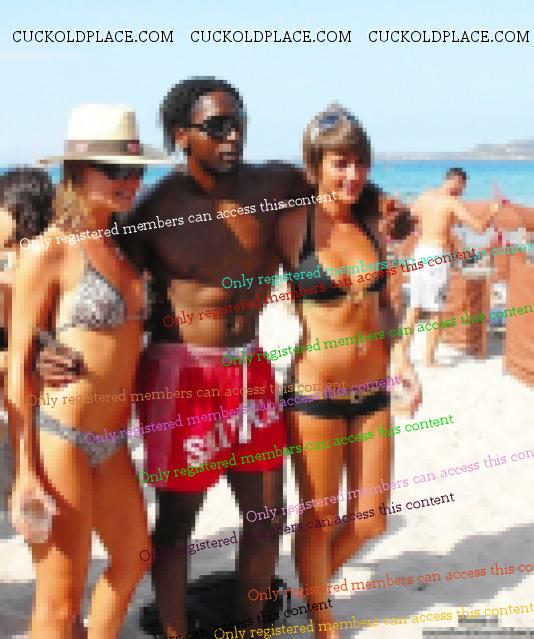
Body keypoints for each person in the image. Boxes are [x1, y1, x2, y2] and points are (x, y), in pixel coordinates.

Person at [7, 104, 169, 638]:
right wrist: (25, 472)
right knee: (59, 604)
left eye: (135, 170)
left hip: (112, 441)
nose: (129, 181)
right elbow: (18, 370)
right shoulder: (47, 251)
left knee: (134, 558)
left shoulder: (123, 248)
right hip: (62, 439)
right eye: (114, 169)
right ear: (77, 171)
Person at [274, 104, 420, 636]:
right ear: (315, 165)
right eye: (340, 163)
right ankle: (322, 618)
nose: (352, 175)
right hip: (315, 393)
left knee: (370, 520)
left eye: (360, 162)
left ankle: (309, 590)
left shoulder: (371, 221)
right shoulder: (291, 225)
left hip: (373, 393)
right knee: (320, 517)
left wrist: (402, 358)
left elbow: (384, 306)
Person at [400, 167, 498, 366]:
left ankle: (401, 354)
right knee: (437, 311)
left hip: (419, 252)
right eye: (463, 186)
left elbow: (410, 220)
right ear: (457, 182)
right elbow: (479, 227)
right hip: (436, 255)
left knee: (414, 307)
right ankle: (428, 359)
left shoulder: (425, 196)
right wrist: (492, 212)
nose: (463, 191)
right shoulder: (452, 202)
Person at [0, 168, 54, 514]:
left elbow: (26, 354)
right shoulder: (21, 264)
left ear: (17, 209)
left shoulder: (25, 272)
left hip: (34, 415)